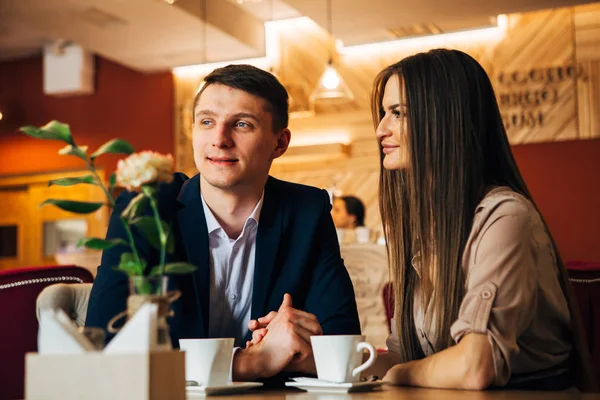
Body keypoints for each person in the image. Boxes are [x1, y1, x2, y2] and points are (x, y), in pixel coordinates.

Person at [85, 64, 360, 383]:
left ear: (279, 143)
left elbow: (342, 346)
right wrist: (252, 362)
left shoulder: (307, 211)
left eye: (242, 124)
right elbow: (104, 347)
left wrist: (297, 346)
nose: (219, 139)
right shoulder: (145, 207)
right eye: (206, 122)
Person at [365, 49, 597, 391]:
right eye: (384, 113)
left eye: (397, 113)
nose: (381, 130)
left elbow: (474, 367)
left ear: (443, 120)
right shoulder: (427, 231)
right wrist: (317, 356)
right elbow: (402, 356)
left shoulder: (505, 216)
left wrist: (396, 375)